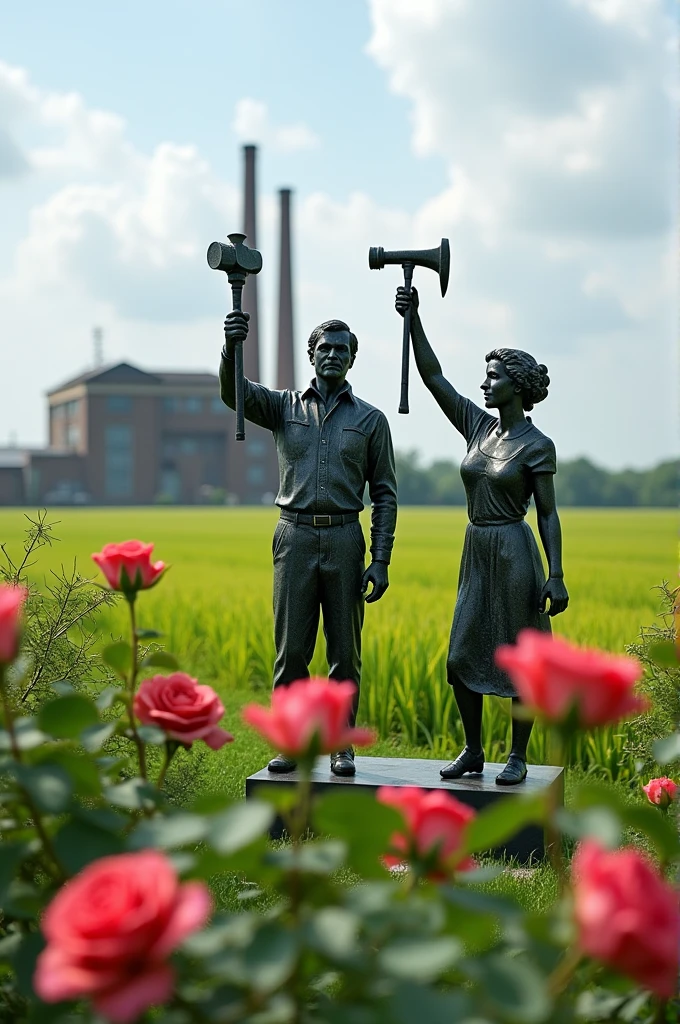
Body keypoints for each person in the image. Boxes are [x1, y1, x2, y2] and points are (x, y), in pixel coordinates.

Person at [395, 286, 568, 785]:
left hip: (515, 550)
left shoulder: (538, 446)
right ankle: (473, 750)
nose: (485, 384)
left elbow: (549, 514)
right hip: (476, 549)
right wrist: (414, 320)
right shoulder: (477, 427)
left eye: (493, 377)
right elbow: (433, 378)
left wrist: (555, 574)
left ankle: (517, 755)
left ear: (516, 386)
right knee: (460, 656)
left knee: (521, 659)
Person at [221, 311, 397, 776]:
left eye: (342, 350)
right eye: (326, 348)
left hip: (344, 537)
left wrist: (380, 559)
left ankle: (341, 745)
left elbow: (384, 494)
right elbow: (232, 392)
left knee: (344, 651)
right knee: (292, 649)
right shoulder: (284, 407)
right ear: (311, 354)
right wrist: (230, 345)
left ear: (353, 359)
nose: (333, 355)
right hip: (293, 536)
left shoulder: (372, 421)